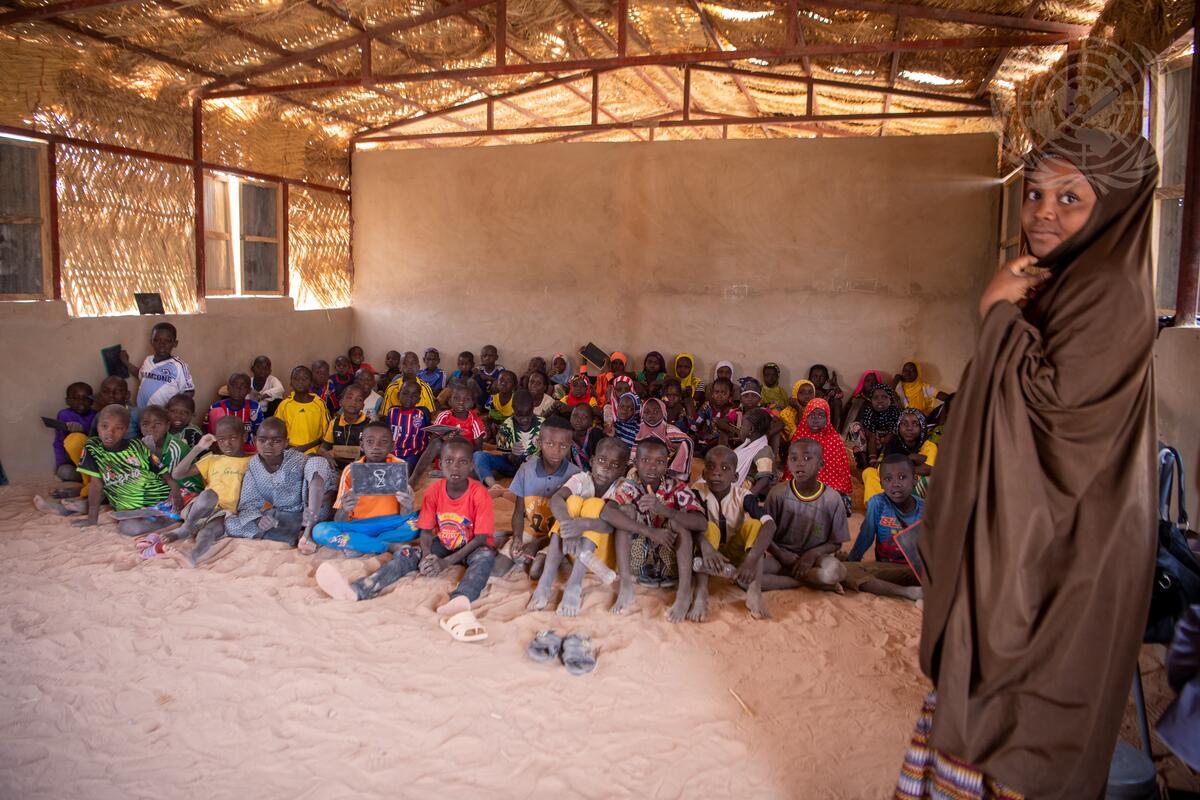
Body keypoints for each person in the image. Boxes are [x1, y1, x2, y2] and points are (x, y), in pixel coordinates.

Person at [898, 131, 1159, 799]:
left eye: (1071, 198)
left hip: (1061, 544)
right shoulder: (1063, 278)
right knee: (982, 693)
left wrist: (994, 315)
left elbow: (1052, 412)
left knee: (1025, 712)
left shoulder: (1109, 290)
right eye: (1035, 194)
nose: (1044, 212)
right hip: (1028, 527)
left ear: (1116, 205)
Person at [314, 437, 496, 641]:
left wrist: (445, 562)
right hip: (444, 543)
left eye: (462, 462)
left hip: (474, 547)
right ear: (440, 463)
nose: (455, 467)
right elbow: (426, 530)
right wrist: (427, 555)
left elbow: (481, 538)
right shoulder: (434, 491)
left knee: (485, 557)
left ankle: (461, 598)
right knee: (408, 552)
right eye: (449, 461)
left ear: (472, 465)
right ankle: (360, 589)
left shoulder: (479, 493)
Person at [601, 436, 707, 621]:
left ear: (667, 465)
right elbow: (606, 513)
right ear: (635, 462)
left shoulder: (677, 487)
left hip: (670, 565)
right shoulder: (627, 486)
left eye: (659, 462)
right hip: (637, 566)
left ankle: (683, 593)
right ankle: (626, 586)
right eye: (645, 460)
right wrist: (650, 531)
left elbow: (701, 523)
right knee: (624, 511)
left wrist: (664, 511)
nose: (652, 467)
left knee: (679, 522)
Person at [34, 405, 176, 535]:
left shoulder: (138, 447)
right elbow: (96, 484)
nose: (110, 433)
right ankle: (66, 509)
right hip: (125, 503)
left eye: (118, 428)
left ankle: (167, 520)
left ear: (126, 430)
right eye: (104, 426)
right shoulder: (93, 448)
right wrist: (92, 519)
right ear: (98, 427)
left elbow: (163, 473)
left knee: (128, 528)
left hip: (154, 500)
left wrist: (175, 493)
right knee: (120, 517)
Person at [528, 436, 630, 616]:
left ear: (623, 470)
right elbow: (556, 499)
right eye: (601, 460)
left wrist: (582, 524)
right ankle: (546, 580)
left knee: (595, 505)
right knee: (572, 501)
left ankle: (574, 585)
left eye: (614, 465)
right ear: (591, 461)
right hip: (572, 547)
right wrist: (570, 526)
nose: (605, 468)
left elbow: (611, 527)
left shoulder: (622, 488)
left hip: (602, 558)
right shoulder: (581, 479)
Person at [689, 445, 776, 621]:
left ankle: (754, 591)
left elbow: (770, 525)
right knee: (708, 527)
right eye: (711, 467)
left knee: (754, 524)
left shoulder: (743, 495)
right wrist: (706, 548)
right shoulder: (697, 491)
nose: (717, 473)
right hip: (707, 552)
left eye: (725, 468)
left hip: (733, 554)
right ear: (704, 473)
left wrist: (751, 560)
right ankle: (701, 591)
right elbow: (691, 523)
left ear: (735, 476)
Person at [224, 417, 332, 552]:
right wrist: (259, 520)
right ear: (254, 440)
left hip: (310, 514)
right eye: (262, 440)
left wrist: (311, 512)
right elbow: (249, 502)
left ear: (286, 442)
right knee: (231, 524)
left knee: (317, 461)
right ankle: (293, 535)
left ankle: (307, 533)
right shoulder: (254, 466)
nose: (268, 445)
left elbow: (327, 486)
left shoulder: (298, 459)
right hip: (281, 517)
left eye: (276, 441)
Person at [310, 421, 418, 554]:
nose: (376, 447)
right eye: (370, 442)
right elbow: (339, 519)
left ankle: (362, 544)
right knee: (319, 530)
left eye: (383, 442)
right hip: (358, 526)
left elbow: (405, 514)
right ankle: (386, 546)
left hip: (392, 523)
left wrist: (408, 504)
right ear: (362, 446)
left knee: (419, 521)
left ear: (392, 446)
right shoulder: (350, 471)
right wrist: (344, 508)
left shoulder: (398, 466)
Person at [760, 439, 848, 592]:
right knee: (746, 576)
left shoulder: (832, 498)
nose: (799, 463)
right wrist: (780, 554)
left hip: (817, 558)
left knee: (836, 572)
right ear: (788, 462)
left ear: (821, 464)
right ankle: (806, 581)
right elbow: (764, 533)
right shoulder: (777, 493)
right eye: (794, 458)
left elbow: (836, 543)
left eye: (807, 458)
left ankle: (811, 578)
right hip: (783, 557)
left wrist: (812, 555)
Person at [165, 415, 253, 567]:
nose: (227, 443)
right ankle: (186, 528)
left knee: (208, 533)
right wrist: (198, 448)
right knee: (209, 496)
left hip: (227, 513)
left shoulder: (252, 461)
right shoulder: (212, 459)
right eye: (221, 439)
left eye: (233, 437)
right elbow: (177, 474)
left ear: (244, 436)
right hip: (201, 509)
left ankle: (192, 556)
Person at [502, 416, 579, 577]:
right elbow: (518, 511)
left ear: (570, 445)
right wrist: (517, 537)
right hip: (530, 531)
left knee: (537, 571)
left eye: (563, 445)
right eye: (550, 444)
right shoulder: (526, 470)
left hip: (557, 536)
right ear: (539, 443)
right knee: (498, 567)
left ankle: (544, 557)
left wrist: (537, 545)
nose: (556, 451)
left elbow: (572, 525)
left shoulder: (575, 476)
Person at [844, 454, 924, 602]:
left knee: (845, 571)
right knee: (845, 568)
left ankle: (909, 592)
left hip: (914, 571)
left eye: (902, 477)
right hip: (885, 568)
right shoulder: (878, 503)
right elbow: (866, 536)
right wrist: (852, 560)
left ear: (915, 479)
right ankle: (910, 592)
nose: (895, 484)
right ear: (880, 483)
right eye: (888, 479)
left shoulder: (925, 510)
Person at [790, 397, 853, 514]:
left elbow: (839, 473)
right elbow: (792, 468)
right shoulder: (799, 437)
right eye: (812, 415)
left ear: (827, 418)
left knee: (835, 501)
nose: (815, 419)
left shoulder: (834, 440)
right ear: (805, 417)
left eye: (820, 416)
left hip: (829, 486)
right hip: (803, 483)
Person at [474, 388, 541, 494]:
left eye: (528, 415)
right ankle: (494, 486)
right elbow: (512, 461)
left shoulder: (543, 425)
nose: (524, 419)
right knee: (479, 455)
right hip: (511, 464)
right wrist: (514, 454)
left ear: (533, 408)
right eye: (519, 415)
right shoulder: (506, 426)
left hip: (534, 468)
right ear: (513, 409)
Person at [863, 407, 937, 502]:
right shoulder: (894, 442)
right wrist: (909, 459)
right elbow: (884, 468)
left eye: (915, 424)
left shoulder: (929, 446)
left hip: (911, 485)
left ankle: (889, 505)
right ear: (898, 426)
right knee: (869, 472)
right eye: (904, 424)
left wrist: (898, 469)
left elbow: (928, 469)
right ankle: (878, 505)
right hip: (892, 481)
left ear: (922, 427)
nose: (909, 428)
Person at [126, 322, 194, 408]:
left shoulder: (179, 365)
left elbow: (189, 391)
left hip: (163, 416)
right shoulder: (148, 360)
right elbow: (140, 375)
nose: (162, 344)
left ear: (175, 343)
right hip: (142, 413)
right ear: (151, 342)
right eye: (157, 340)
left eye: (168, 341)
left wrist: (173, 408)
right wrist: (126, 362)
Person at [632, 397, 693, 480]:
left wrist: (675, 447)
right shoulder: (636, 430)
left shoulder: (670, 430)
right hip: (636, 470)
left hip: (664, 472)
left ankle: (676, 478)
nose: (651, 415)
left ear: (663, 413)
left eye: (656, 412)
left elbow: (689, 442)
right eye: (646, 412)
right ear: (642, 413)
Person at [273, 366, 330, 454]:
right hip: (289, 451)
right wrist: (289, 447)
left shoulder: (319, 404)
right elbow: (276, 432)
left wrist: (305, 448)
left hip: (313, 453)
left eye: (305, 378)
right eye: (296, 378)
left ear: (311, 382)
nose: (300, 382)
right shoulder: (284, 405)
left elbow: (327, 434)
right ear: (291, 383)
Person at [848, 384, 901, 470]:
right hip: (871, 439)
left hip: (889, 439)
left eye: (884, 397)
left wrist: (885, 439)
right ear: (871, 400)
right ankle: (864, 456)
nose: (880, 401)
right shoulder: (869, 410)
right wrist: (872, 458)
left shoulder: (894, 411)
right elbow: (870, 434)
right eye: (875, 398)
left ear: (890, 399)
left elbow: (892, 432)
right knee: (855, 426)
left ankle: (882, 460)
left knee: (895, 438)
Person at [207, 372, 263, 453]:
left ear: (249, 390)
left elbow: (259, 432)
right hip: (223, 450)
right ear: (228, 388)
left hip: (246, 449)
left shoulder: (254, 407)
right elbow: (210, 434)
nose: (238, 389)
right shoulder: (216, 407)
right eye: (234, 386)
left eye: (243, 387)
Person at [319, 383, 370, 470]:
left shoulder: (369, 424)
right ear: (341, 402)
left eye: (359, 399)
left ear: (363, 406)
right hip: (336, 467)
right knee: (315, 461)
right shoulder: (334, 423)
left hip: (359, 469)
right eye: (349, 397)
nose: (353, 402)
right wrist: (327, 455)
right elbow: (322, 449)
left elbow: (372, 453)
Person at [52, 381, 95, 483]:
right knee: (64, 471)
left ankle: (91, 479)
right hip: (73, 462)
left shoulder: (96, 415)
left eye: (86, 398)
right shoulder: (64, 415)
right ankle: (89, 479)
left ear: (92, 401)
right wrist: (60, 464)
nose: (81, 402)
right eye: (75, 398)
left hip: (92, 461)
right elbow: (60, 442)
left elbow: (98, 441)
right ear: (67, 401)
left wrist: (83, 432)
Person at [386, 380, 431, 471]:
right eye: (405, 393)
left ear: (418, 399)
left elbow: (426, 435)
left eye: (414, 395)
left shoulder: (421, 414)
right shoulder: (392, 412)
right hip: (393, 451)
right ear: (399, 395)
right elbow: (387, 432)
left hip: (412, 452)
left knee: (405, 469)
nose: (409, 397)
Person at [732, 408, 776, 499]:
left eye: (743, 425)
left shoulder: (763, 450)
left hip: (744, 488)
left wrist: (749, 497)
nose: (740, 428)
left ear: (751, 429)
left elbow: (765, 478)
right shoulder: (749, 444)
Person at [380, 351, 436, 416]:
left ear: (418, 367)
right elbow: (385, 415)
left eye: (413, 363)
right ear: (400, 367)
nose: (409, 367)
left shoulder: (425, 388)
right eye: (405, 364)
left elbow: (431, 414)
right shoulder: (392, 388)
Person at [807, 364, 844, 431]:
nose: (818, 379)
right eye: (815, 376)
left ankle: (836, 432)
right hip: (809, 422)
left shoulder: (827, 392)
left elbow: (840, 395)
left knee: (837, 401)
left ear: (826, 379)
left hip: (824, 423)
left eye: (822, 376)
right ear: (809, 378)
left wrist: (835, 385)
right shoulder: (806, 392)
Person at [566, 403, 602, 471]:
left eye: (584, 417)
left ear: (592, 421)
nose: (578, 420)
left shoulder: (595, 434)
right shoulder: (568, 437)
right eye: (575, 415)